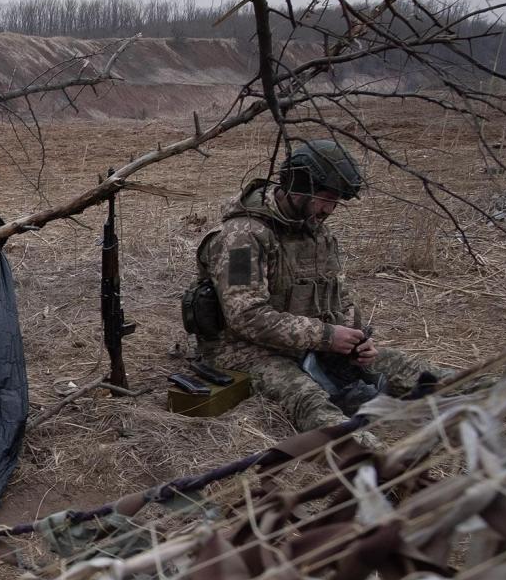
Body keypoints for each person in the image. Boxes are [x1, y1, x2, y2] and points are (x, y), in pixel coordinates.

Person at [184, 139, 444, 434]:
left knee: (404, 367)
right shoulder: (241, 237)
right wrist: (327, 336)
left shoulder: (315, 231)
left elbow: (338, 295)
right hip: (245, 351)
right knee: (310, 401)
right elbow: (246, 317)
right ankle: (367, 454)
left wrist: (356, 340)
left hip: (309, 343)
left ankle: (485, 392)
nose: (329, 209)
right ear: (298, 187)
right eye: (325, 198)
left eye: (336, 201)